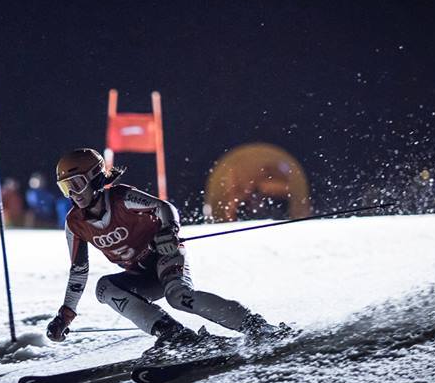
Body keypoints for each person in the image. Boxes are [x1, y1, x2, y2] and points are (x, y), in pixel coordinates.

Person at [45, 148, 286, 348]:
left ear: (96, 177)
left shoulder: (121, 198)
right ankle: (173, 335)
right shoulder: (75, 223)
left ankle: (255, 325)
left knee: (178, 297)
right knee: (104, 288)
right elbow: (78, 271)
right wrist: (65, 316)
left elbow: (164, 207)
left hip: (165, 256)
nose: (73, 194)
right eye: (66, 188)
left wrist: (168, 231)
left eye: (77, 184)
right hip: (141, 277)